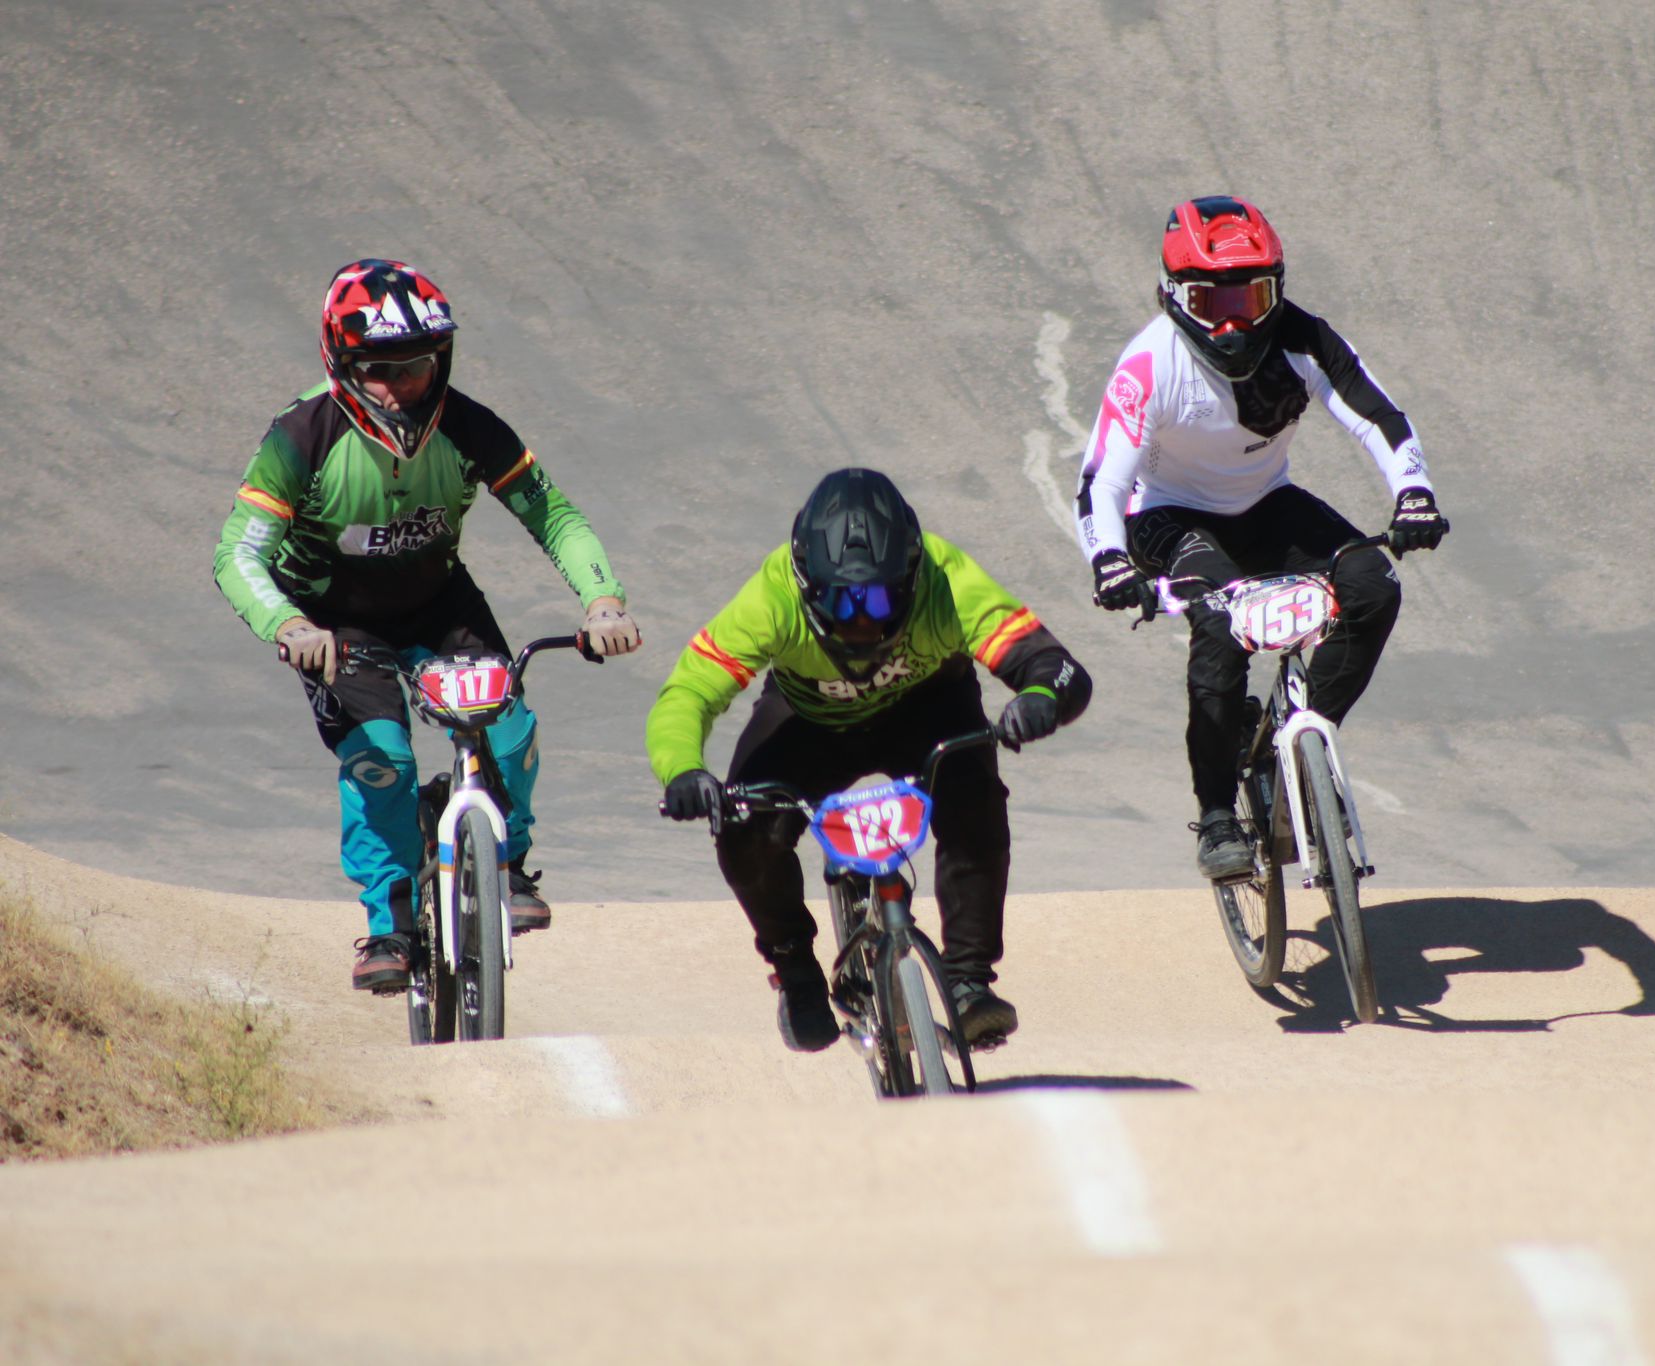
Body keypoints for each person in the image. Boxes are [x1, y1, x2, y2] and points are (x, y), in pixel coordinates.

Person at [213, 258, 641, 992]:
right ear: (340, 361)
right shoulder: (301, 435)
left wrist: (602, 601)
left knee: (510, 731)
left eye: (414, 368)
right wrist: (288, 626)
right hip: (334, 623)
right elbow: (236, 553)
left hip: (439, 604)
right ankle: (389, 921)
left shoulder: (470, 425)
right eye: (375, 369)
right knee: (384, 762)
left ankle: (509, 859)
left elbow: (555, 515)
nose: (397, 387)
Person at [648, 468, 1091, 1053]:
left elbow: (1056, 668)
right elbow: (689, 692)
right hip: (809, 720)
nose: (860, 620)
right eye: (840, 600)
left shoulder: (946, 576)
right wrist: (682, 770)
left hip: (928, 706)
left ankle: (967, 983)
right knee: (742, 826)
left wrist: (1039, 698)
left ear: (910, 576)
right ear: (805, 583)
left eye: (879, 598)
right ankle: (796, 968)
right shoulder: (771, 595)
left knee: (974, 802)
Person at [1074, 196, 1448, 880]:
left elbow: (1379, 418)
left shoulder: (1305, 337)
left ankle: (1297, 740)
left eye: (1250, 298)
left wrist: (1414, 493)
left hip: (1266, 504)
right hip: (1169, 516)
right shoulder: (1148, 365)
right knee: (1219, 627)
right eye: (1209, 301)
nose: (1231, 322)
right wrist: (1107, 561)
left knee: (1374, 586)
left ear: (1278, 290)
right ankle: (1217, 815)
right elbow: (1099, 482)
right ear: (1171, 297)